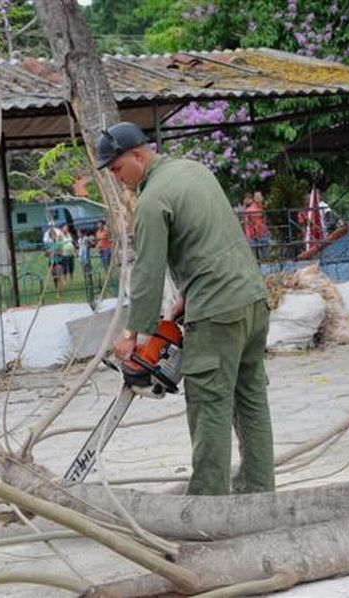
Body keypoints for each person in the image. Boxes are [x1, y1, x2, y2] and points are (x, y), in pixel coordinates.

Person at [99, 121, 274, 496]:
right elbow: (214, 239)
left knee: (209, 402)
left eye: (116, 169)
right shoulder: (195, 171)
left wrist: (133, 335)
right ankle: (261, 493)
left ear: (138, 156)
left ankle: (207, 506)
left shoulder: (151, 201)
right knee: (251, 399)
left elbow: (147, 270)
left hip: (217, 312)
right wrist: (186, 297)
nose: (116, 179)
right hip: (253, 300)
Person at [245, 191, 271, 261]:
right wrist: (248, 236)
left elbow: (264, 222)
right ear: (254, 198)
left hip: (262, 233)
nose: (258, 198)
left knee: (266, 255)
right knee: (254, 257)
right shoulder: (249, 210)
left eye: (259, 196)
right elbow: (247, 224)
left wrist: (267, 230)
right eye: (257, 196)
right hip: (253, 235)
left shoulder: (262, 208)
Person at [45, 228, 65, 298]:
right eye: (51, 235)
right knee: (54, 278)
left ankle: (58, 293)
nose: (53, 237)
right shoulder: (48, 245)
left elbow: (62, 254)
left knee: (58, 276)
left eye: (54, 235)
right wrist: (48, 253)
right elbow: (45, 254)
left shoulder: (59, 244)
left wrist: (56, 253)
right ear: (50, 236)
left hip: (58, 262)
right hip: (51, 263)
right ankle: (58, 289)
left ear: (56, 236)